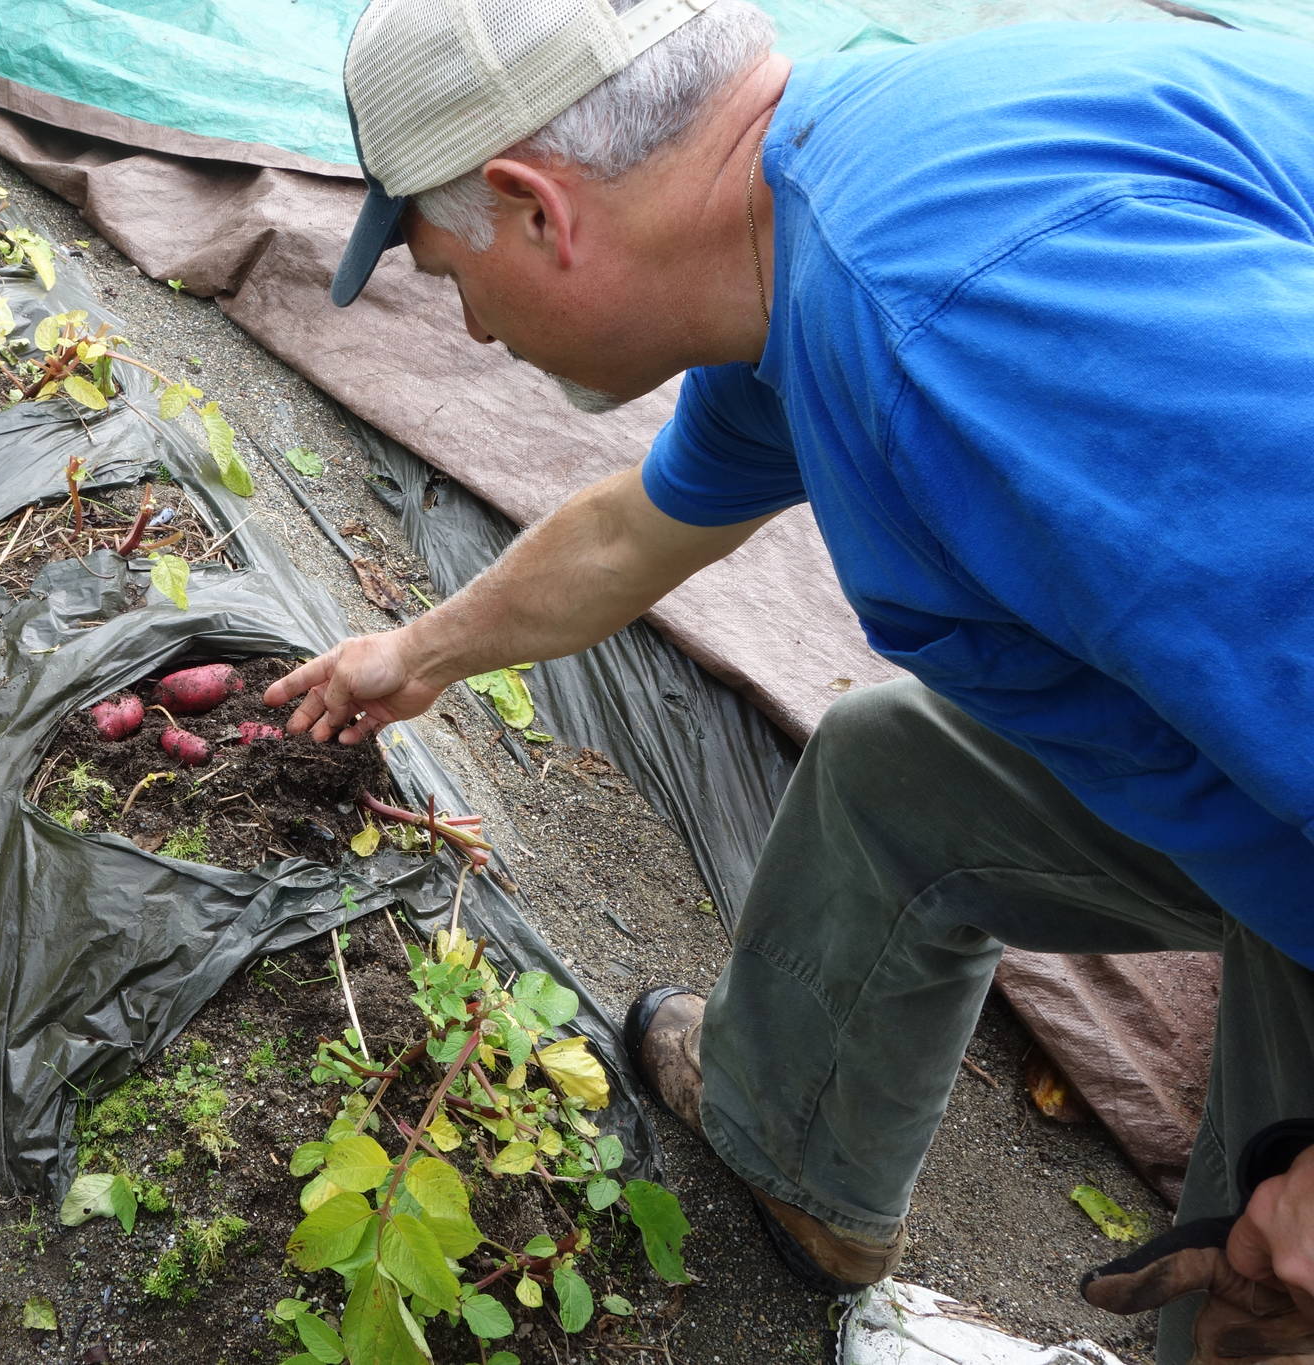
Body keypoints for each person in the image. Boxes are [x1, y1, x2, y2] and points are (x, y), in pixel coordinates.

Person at [261, 1, 1314, 1360]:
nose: (467, 330)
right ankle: (799, 1160)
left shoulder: (959, 319)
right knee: (899, 774)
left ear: (535, 210)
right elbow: (638, 528)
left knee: (1252, 1296)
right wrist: (411, 657)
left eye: (444, 271)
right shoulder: (799, 224)